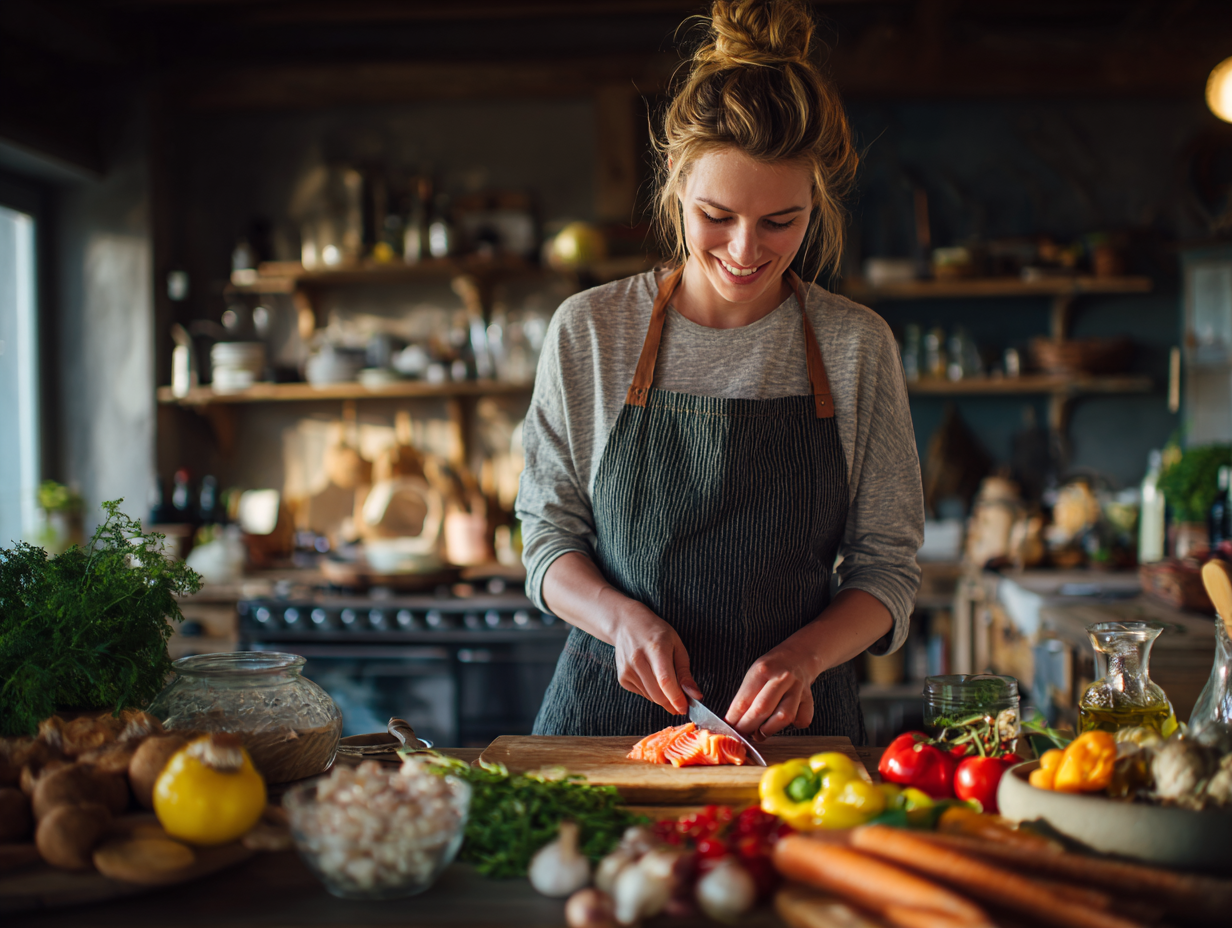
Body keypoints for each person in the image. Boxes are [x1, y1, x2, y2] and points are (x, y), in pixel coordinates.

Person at [516, 0, 923, 744]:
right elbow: (546, 539)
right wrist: (620, 619)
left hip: (795, 739)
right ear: (674, 178)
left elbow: (887, 569)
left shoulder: (856, 346)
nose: (745, 251)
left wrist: (806, 657)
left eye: (781, 222)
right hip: (604, 730)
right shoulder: (593, 331)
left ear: (817, 201)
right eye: (717, 215)